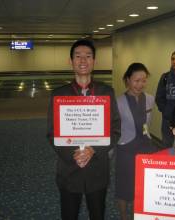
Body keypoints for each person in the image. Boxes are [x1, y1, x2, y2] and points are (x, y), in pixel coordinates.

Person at [47, 39, 121, 220]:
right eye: (78, 56)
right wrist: (74, 154)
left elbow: (116, 129)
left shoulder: (106, 92)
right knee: (69, 215)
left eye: (88, 56)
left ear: (94, 61)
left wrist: (93, 150)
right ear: (70, 61)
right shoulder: (59, 94)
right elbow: (52, 133)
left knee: (98, 215)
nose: (83, 61)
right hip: (69, 170)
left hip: (97, 169)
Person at [115, 63, 157, 220]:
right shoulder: (118, 102)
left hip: (146, 146)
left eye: (144, 80)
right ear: (127, 80)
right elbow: (114, 129)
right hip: (126, 148)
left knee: (144, 185)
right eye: (136, 80)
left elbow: (148, 123)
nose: (140, 84)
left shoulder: (150, 99)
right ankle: (124, 215)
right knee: (125, 185)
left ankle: (139, 213)